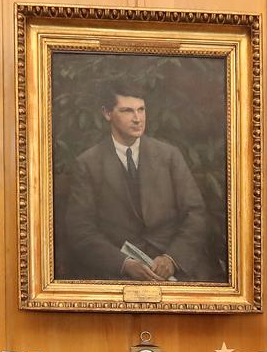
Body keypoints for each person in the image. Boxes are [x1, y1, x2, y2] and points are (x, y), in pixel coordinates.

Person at [63, 82, 211, 281]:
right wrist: (123, 264)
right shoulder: (88, 163)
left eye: (141, 110)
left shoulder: (169, 156)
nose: (137, 119)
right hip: (115, 273)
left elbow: (196, 213)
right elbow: (80, 229)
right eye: (127, 111)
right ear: (107, 113)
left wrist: (171, 259)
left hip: (172, 269)